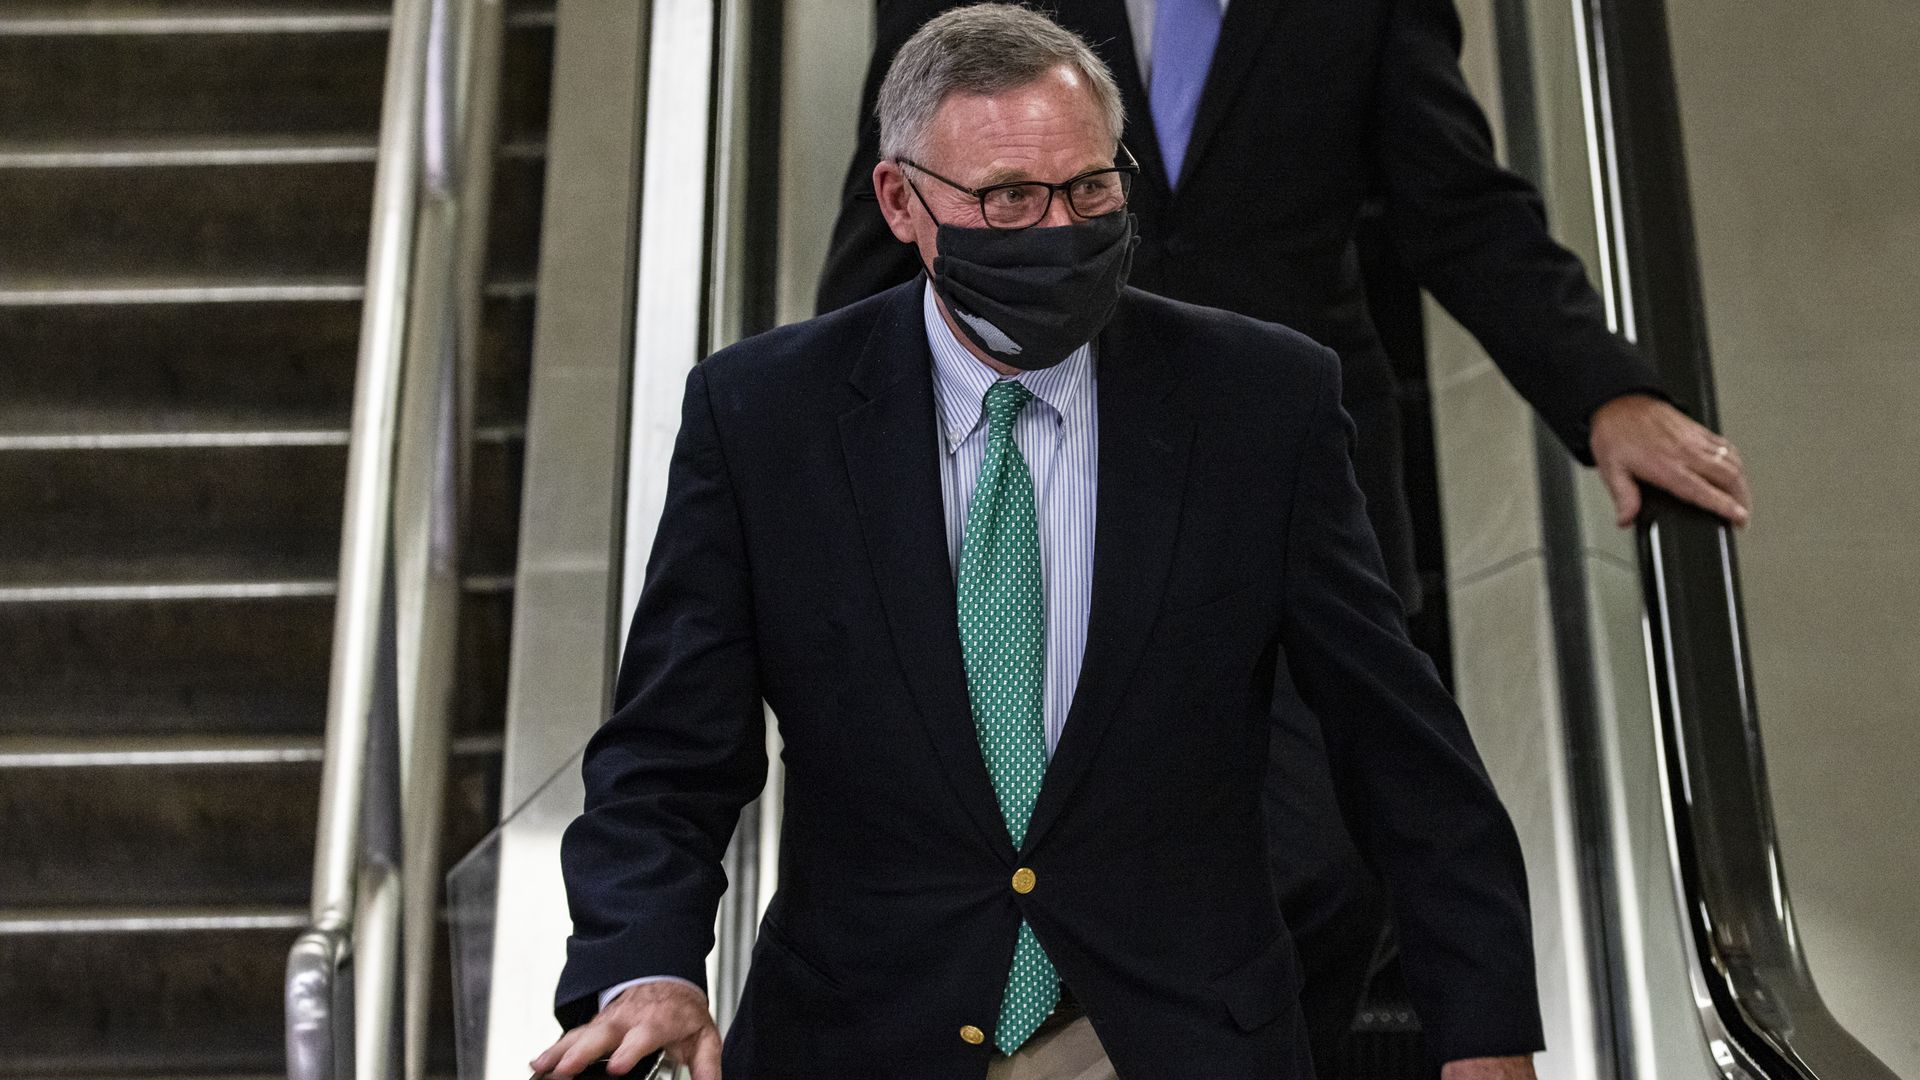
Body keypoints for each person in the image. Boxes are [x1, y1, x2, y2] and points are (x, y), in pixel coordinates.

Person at [535, 7, 1544, 1078]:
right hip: (862, 1036)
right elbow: (666, 756)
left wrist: (1484, 1038)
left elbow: (1400, 746)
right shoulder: (768, 418)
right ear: (902, 203)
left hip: (1170, 1038)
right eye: (1009, 199)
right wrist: (646, 963)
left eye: (1091, 189)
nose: (1059, 229)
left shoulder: (1262, 403)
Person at [815, 0, 1755, 1066]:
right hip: (1039, 487)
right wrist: (825, 478)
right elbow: (885, 236)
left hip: (1286, 491)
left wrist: (1602, 391)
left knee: (1321, 862)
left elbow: (1457, 202)